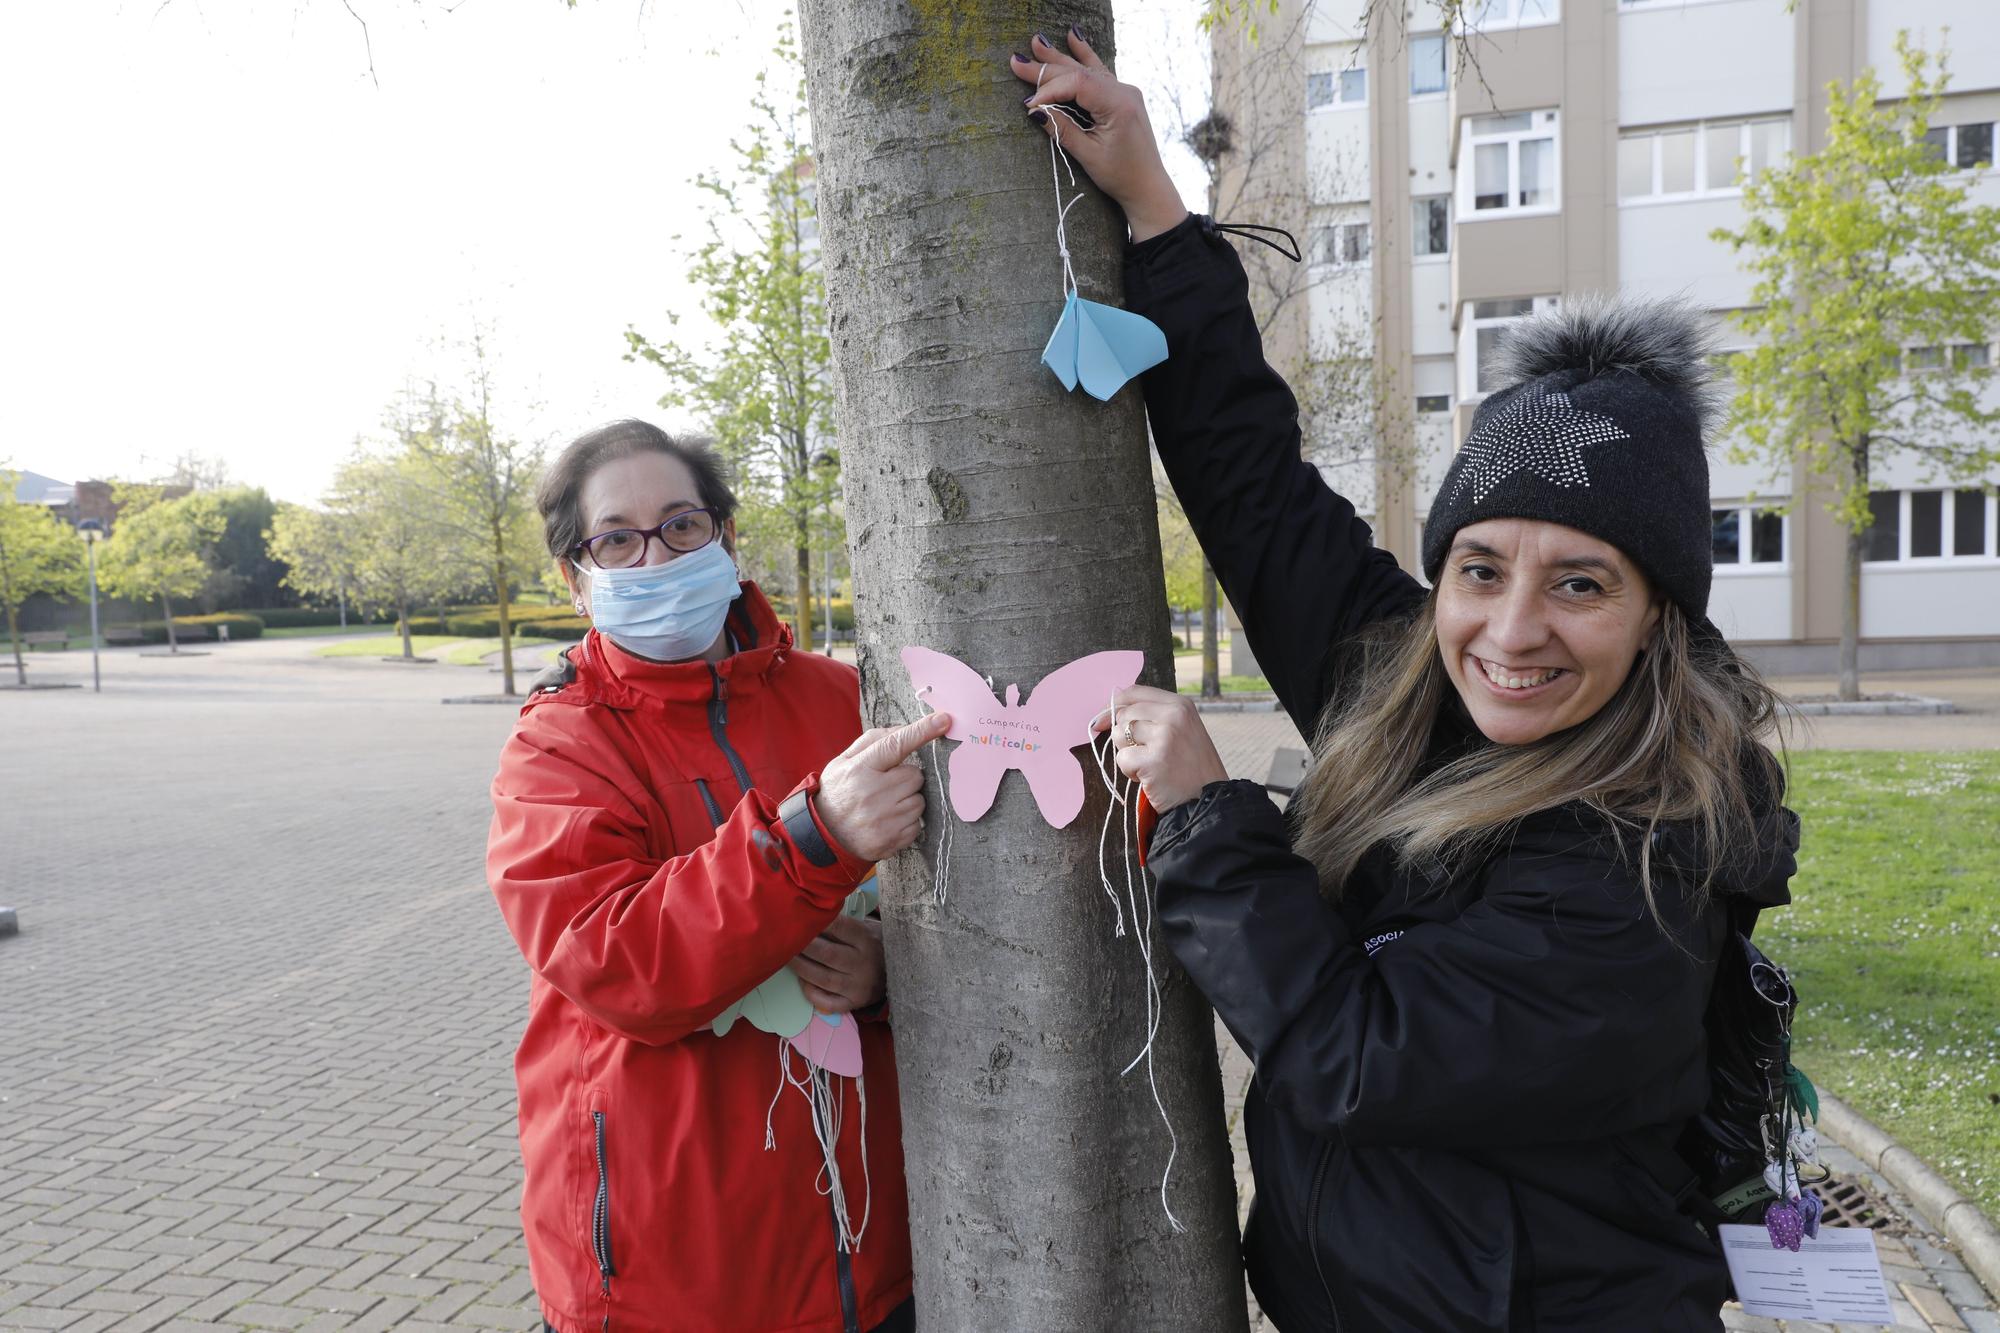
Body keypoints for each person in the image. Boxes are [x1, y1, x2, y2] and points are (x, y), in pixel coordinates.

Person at [1017, 32, 1801, 1332]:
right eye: (1481, 568)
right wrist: (1156, 210)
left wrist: (1214, 820)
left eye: (1583, 583)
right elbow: (1254, 486)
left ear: (1661, 611)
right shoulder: (1411, 680)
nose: (1513, 628)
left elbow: (1355, 1052)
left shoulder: (1652, 853)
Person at [486, 420, 944, 1333]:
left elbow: (944, 908)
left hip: (877, 1255)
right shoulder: (555, 747)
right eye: (617, 537)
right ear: (579, 577)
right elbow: (620, 964)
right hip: (675, 1278)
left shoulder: (840, 699)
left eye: (682, 524)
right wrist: (816, 838)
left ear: (726, 538)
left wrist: (890, 970)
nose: (655, 556)